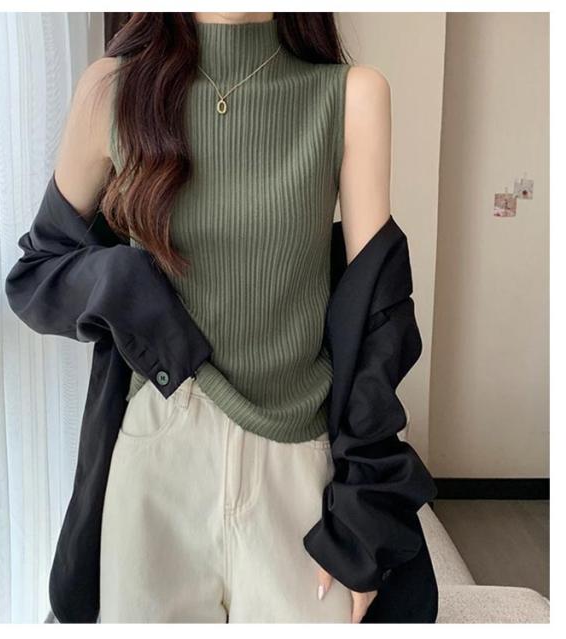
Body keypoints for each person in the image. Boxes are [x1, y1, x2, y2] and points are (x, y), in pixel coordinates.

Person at [52, 11, 392, 623]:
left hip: (297, 461)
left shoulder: (349, 96)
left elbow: (376, 317)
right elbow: (42, 263)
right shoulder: (113, 91)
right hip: (158, 450)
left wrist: (366, 508)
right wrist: (127, 284)